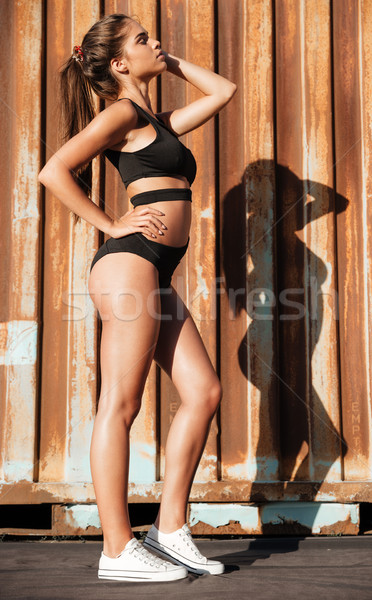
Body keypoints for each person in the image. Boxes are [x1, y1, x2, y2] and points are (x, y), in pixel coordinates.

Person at [39, 13, 236, 583]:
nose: (158, 43)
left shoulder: (157, 119)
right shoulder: (122, 114)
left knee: (203, 390)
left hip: (157, 272)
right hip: (129, 265)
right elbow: (54, 171)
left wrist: (166, 62)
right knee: (120, 407)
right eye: (144, 40)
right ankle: (118, 548)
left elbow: (222, 91)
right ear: (119, 63)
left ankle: (169, 530)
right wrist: (111, 223)